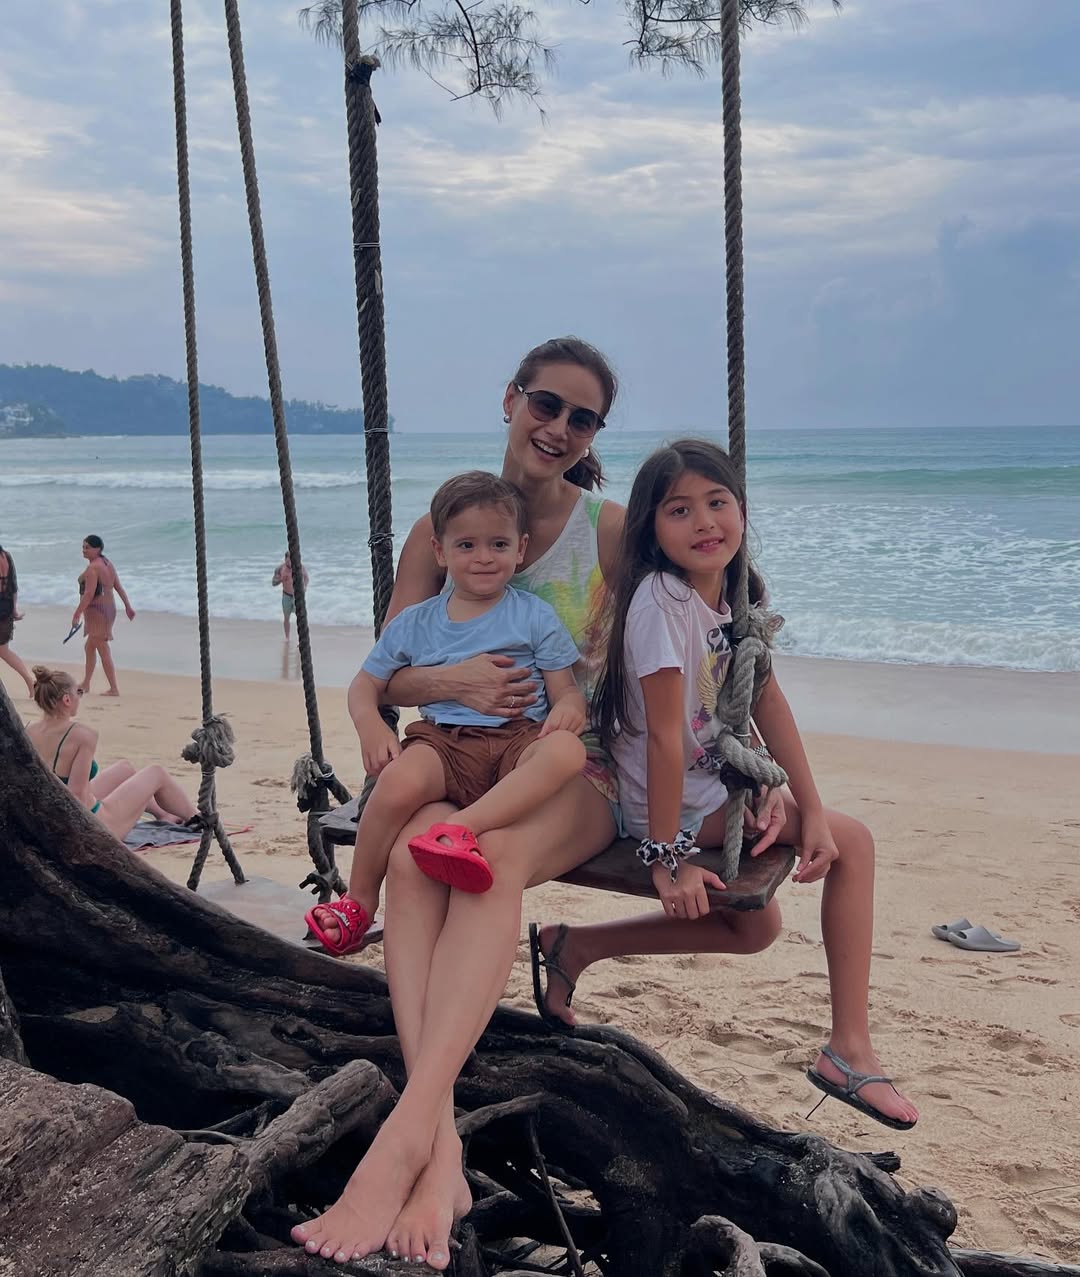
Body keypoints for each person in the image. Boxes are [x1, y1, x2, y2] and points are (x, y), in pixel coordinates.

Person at [535, 439, 919, 1134]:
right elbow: (662, 738)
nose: (705, 522)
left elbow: (765, 701)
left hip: (710, 786)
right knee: (856, 845)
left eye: (717, 502)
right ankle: (849, 1050)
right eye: (679, 510)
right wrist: (668, 858)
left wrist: (800, 802)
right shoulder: (660, 601)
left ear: (741, 508)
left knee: (757, 926)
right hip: (667, 805)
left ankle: (576, 947)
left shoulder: (731, 598)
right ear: (652, 527)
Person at [305, 472, 587, 957]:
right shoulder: (417, 623)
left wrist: (567, 711)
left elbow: (566, 690)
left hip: (519, 741)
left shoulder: (534, 616)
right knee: (396, 781)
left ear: (520, 549)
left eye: (499, 544)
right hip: (445, 743)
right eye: (467, 545)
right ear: (440, 551)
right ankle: (359, 901)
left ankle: (461, 829)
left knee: (566, 751)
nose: (484, 557)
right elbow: (365, 684)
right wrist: (370, 725)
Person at [26, 666, 199, 840]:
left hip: (47, 816)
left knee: (125, 769)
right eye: (79, 692)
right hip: (91, 826)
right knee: (156, 773)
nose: (80, 697)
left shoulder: (28, 731)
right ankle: (198, 818)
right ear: (67, 700)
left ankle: (164, 814)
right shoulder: (82, 735)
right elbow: (76, 796)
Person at [73, 534, 135, 696]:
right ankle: (86, 683)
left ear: (98, 549)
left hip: (98, 612)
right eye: (83, 547)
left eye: (87, 547)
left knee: (102, 648)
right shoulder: (107, 563)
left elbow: (88, 594)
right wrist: (127, 606)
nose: (84, 550)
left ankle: (113, 688)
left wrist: (76, 614)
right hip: (108, 609)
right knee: (90, 646)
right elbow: (118, 587)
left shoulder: (93, 568)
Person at [0, 542, 34, 697]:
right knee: (4, 651)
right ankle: (29, 681)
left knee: (3, 651)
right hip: (6, 606)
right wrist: (13, 609)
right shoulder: (6, 556)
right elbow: (13, 586)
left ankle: (30, 681)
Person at [272, 551, 309, 640]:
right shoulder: (280, 568)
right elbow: (273, 583)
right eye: (288, 561)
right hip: (286, 595)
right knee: (286, 617)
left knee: (300, 617)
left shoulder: (299, 567)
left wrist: (304, 588)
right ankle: (287, 638)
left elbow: (306, 578)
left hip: (297, 596)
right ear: (285, 559)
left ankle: (301, 637)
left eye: (291, 560)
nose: (290, 563)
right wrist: (281, 579)